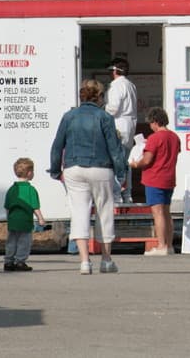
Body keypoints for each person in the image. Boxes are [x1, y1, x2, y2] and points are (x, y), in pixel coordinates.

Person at [49, 79, 126, 275]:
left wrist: (56, 170)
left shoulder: (69, 116)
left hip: (73, 168)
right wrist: (121, 173)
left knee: (79, 212)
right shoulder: (105, 117)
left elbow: (57, 146)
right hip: (101, 168)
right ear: (99, 97)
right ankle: (106, 260)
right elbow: (114, 149)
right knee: (104, 211)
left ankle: (84, 262)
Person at [129, 107, 181, 256]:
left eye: (151, 123)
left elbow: (147, 160)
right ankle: (169, 246)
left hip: (154, 178)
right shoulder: (174, 137)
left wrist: (135, 164)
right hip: (169, 178)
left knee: (157, 213)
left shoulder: (154, 138)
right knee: (166, 213)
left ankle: (161, 246)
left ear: (155, 122)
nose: (150, 126)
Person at [3, 157, 46, 272]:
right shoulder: (31, 190)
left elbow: (7, 206)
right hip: (25, 221)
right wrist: (40, 218)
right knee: (24, 242)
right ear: (29, 173)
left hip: (13, 220)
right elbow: (35, 207)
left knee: (11, 241)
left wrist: (9, 218)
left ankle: (8, 261)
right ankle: (20, 261)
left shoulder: (12, 189)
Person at [105, 57, 138, 204]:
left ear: (114, 71)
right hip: (130, 125)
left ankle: (117, 195)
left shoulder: (116, 85)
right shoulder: (131, 85)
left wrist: (101, 109)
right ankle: (127, 194)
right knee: (126, 162)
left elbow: (113, 108)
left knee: (116, 160)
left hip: (118, 124)